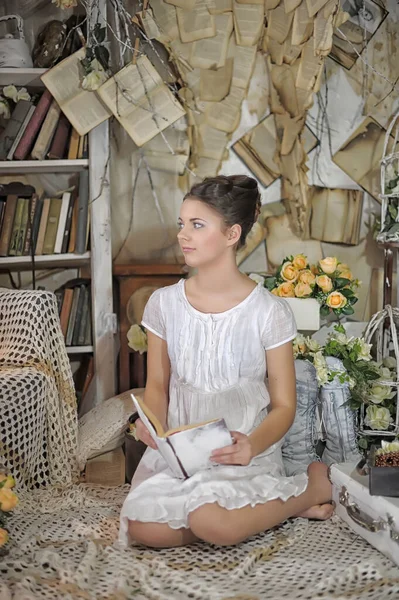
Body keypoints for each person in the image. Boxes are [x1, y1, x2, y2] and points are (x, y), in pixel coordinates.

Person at [119, 174, 333, 549]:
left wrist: (250, 444)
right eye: (182, 224)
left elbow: (284, 407)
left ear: (232, 235)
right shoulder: (163, 304)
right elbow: (156, 388)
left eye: (198, 225)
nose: (184, 235)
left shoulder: (268, 311)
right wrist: (149, 422)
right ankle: (267, 511)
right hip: (185, 459)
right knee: (141, 528)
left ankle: (309, 489)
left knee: (210, 521)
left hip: (243, 455)